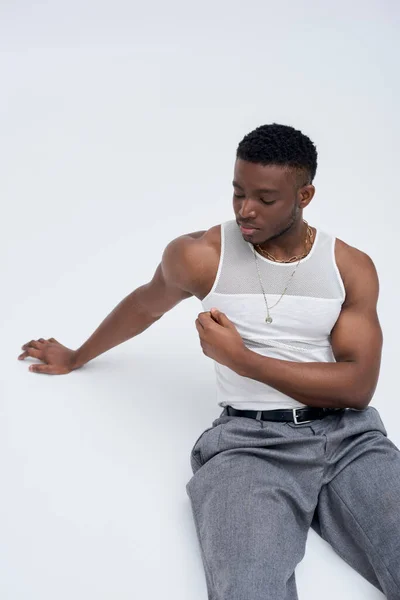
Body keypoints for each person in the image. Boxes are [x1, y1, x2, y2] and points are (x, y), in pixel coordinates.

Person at [17, 124, 400, 599]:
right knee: (247, 591)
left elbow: (357, 386)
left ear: (305, 195)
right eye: (238, 192)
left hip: (349, 438)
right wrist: (76, 356)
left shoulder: (348, 267)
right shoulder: (200, 256)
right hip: (249, 447)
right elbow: (144, 305)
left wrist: (244, 360)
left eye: (265, 198)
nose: (245, 210)